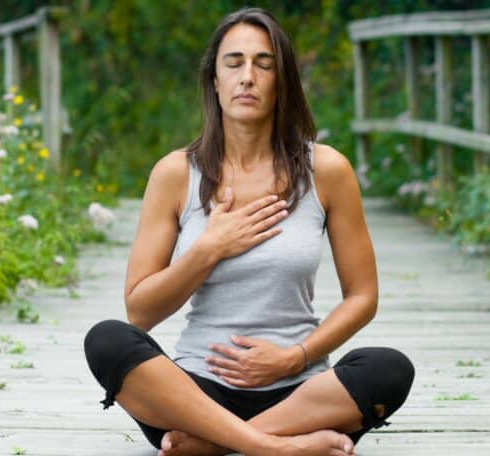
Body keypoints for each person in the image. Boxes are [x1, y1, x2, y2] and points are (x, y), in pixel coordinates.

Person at [84, 7, 414, 456]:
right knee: (106, 340)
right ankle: (275, 448)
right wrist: (209, 249)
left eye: (264, 64)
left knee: (390, 369)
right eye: (233, 63)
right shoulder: (176, 174)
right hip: (195, 393)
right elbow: (139, 312)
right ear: (214, 80)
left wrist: (291, 358)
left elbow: (363, 297)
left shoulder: (328, 170)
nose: (247, 77)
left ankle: (215, 445)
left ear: (283, 81)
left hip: (299, 393)